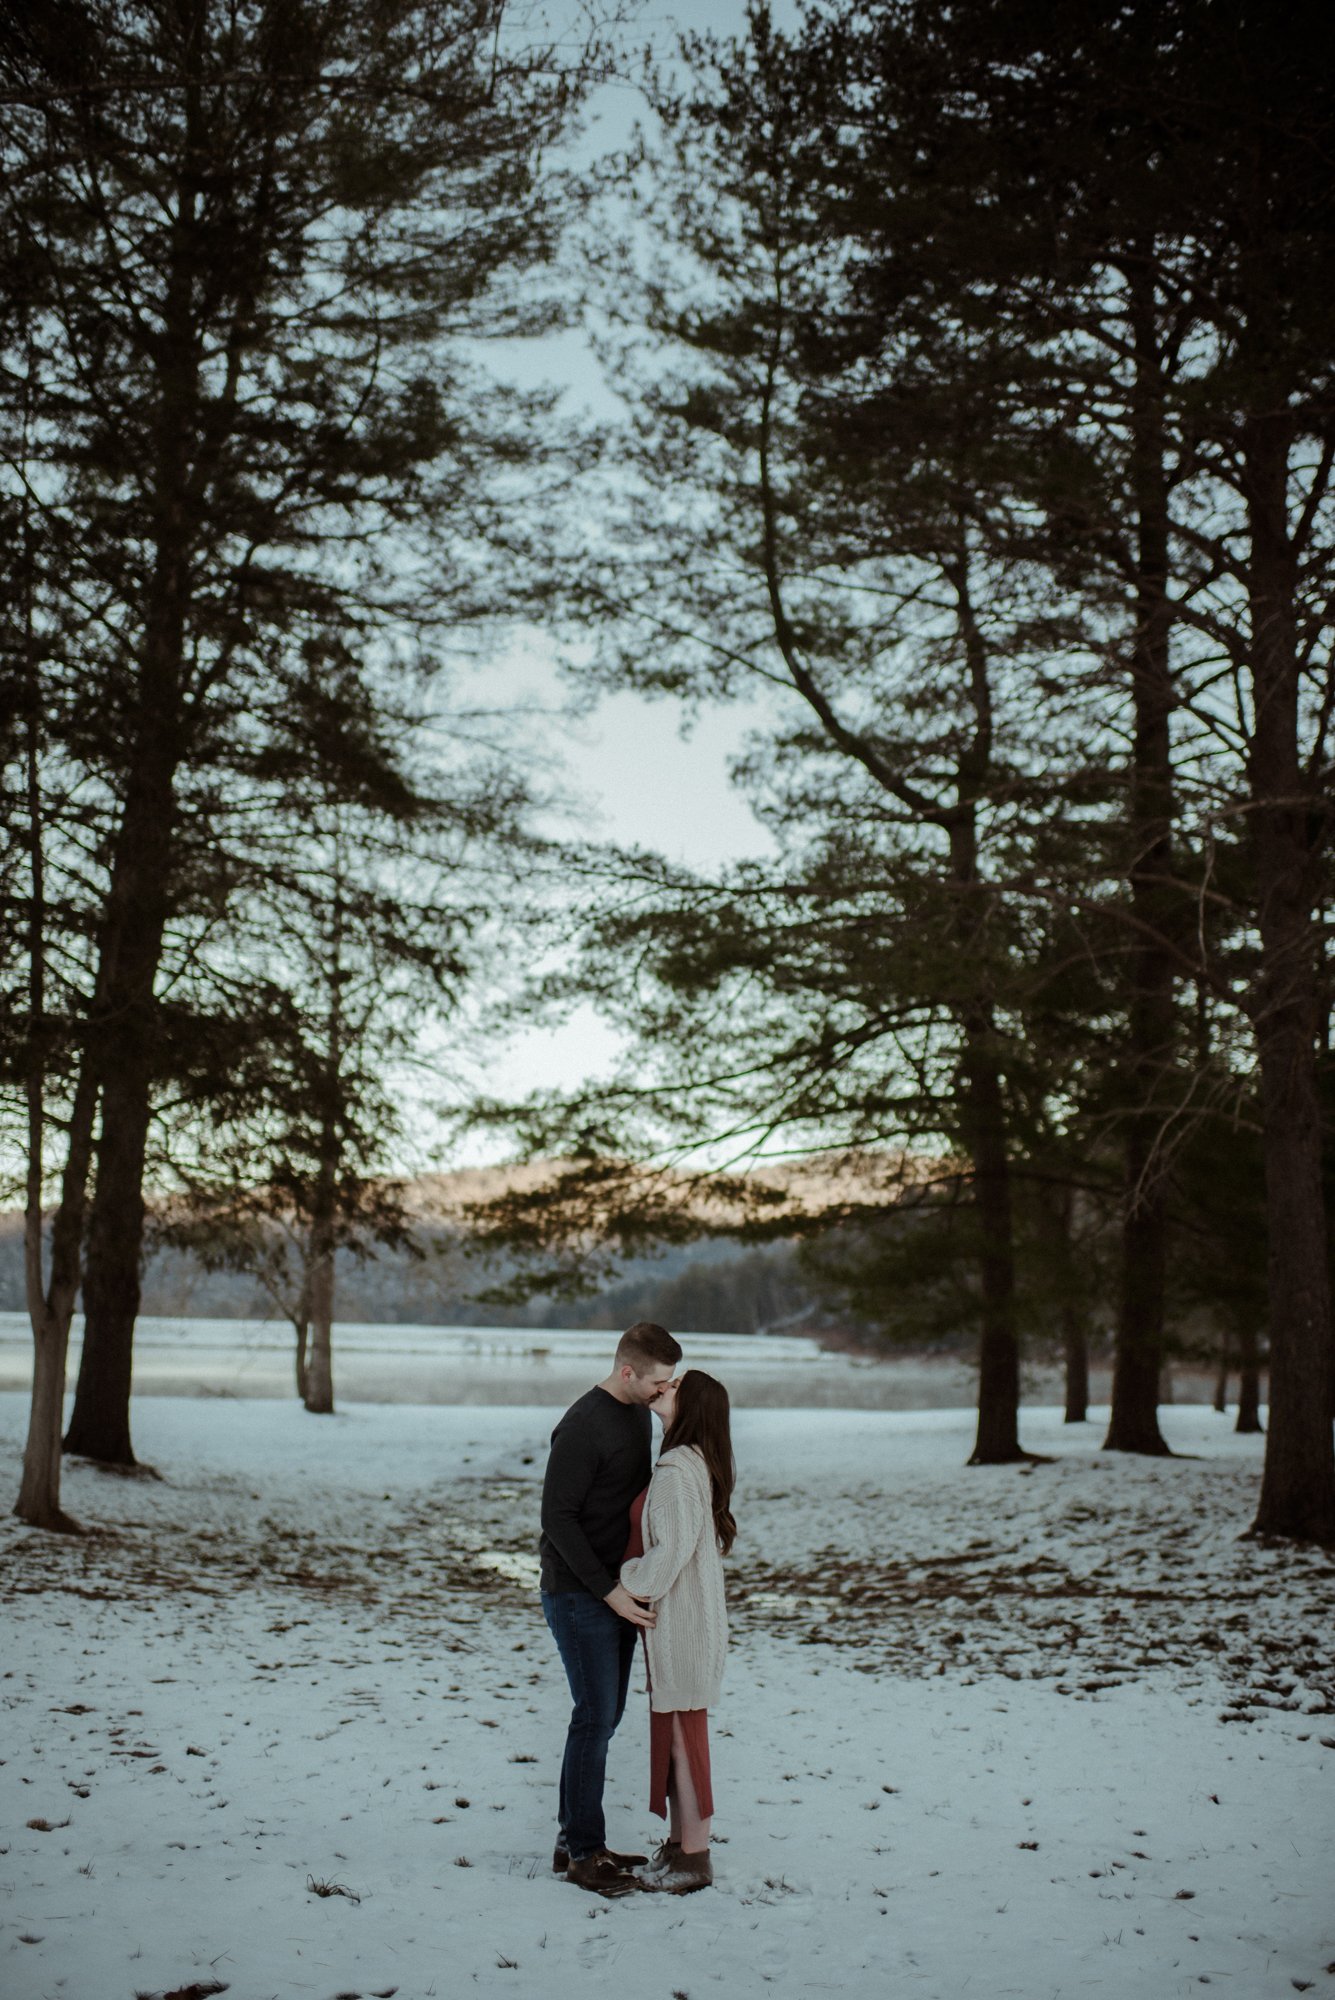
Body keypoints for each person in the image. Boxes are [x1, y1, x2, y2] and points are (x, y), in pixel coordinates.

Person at [539, 1320, 683, 1898]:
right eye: (658, 1383)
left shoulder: (636, 1411)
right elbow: (558, 1519)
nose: (664, 1392)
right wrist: (609, 1592)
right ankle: (581, 1853)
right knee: (595, 1717)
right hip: (580, 1593)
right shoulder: (580, 1427)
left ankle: (572, 1839)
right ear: (627, 1372)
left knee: (603, 1717)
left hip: (616, 1588)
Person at [619, 1368, 735, 1895]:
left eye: (675, 1386)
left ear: (691, 1408)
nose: (664, 1388)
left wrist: (626, 1581)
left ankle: (696, 1856)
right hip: (689, 1622)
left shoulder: (675, 1467)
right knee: (676, 1738)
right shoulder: (690, 1463)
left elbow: (670, 1553)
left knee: (686, 1742)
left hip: (683, 1625)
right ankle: (680, 1843)